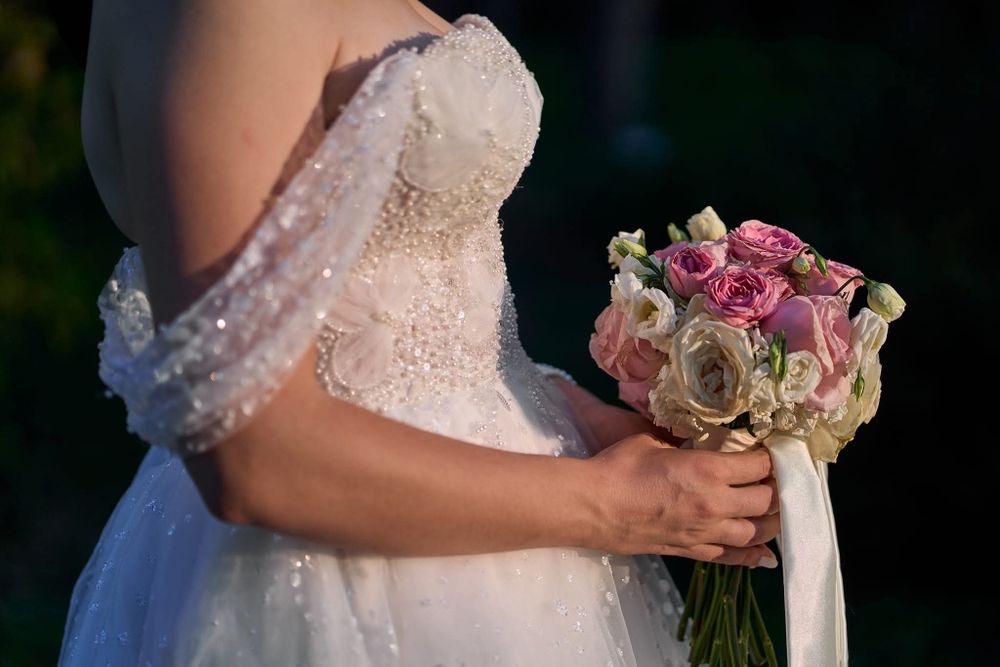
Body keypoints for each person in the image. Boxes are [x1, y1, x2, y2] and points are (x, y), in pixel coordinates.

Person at [60, 1, 779, 664]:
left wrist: (575, 415)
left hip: (502, 528)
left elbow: (405, 308)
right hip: (344, 565)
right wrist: (614, 504)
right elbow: (250, 452)